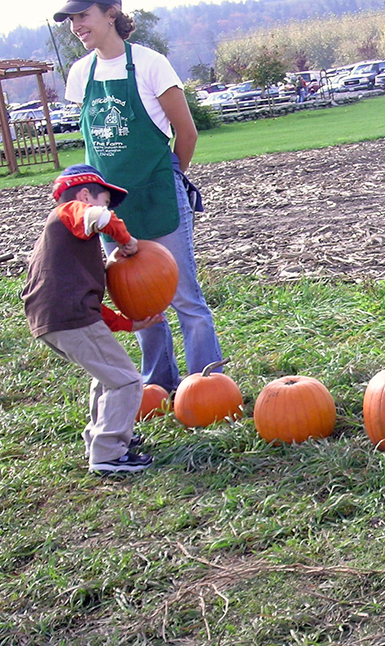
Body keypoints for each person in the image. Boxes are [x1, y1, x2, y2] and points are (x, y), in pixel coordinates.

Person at [56, 0, 224, 393]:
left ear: (111, 13)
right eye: (71, 20)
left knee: (185, 296)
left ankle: (209, 384)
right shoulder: (81, 73)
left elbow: (187, 133)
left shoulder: (151, 64)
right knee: (137, 300)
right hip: (109, 208)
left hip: (159, 195)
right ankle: (159, 385)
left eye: (83, 16)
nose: (76, 26)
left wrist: (169, 177)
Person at [22, 165, 162, 474]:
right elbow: (99, 217)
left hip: (57, 317)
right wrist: (126, 241)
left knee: (107, 376)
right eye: (106, 201)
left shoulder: (70, 241)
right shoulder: (69, 212)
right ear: (85, 195)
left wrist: (128, 324)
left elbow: (88, 302)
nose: (108, 209)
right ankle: (108, 453)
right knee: (125, 380)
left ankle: (101, 437)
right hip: (68, 317)